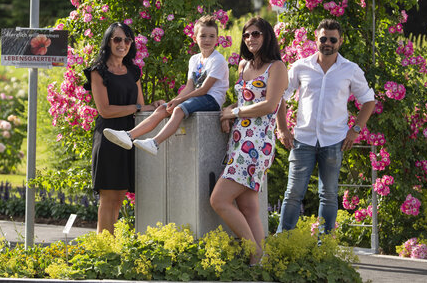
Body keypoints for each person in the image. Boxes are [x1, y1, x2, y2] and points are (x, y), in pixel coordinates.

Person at [276, 19, 376, 235]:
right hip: (303, 139)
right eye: (323, 38)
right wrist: (282, 128)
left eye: (332, 39)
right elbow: (280, 97)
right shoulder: (300, 66)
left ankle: (325, 245)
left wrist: (355, 129)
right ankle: (282, 241)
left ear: (340, 41)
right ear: (316, 38)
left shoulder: (350, 69)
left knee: (329, 194)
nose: (327, 43)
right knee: (293, 193)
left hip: (334, 141)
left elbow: (369, 100)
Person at [210, 17, 287, 264]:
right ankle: (259, 266)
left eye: (256, 34)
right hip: (238, 141)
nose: (250, 39)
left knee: (219, 200)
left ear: (267, 36)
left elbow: (270, 104)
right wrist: (228, 112)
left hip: (256, 143)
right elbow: (244, 102)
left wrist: (234, 113)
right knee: (248, 206)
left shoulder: (276, 67)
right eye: (246, 35)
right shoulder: (244, 65)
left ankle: (252, 250)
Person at [103, 15, 229, 155]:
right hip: (197, 98)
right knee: (164, 108)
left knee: (178, 109)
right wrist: (173, 101)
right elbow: (189, 87)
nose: (207, 40)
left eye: (212, 36)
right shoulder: (194, 60)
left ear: (217, 39)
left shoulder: (218, 60)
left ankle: (155, 143)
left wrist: (179, 101)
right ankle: (129, 135)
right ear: (195, 38)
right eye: (203, 35)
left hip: (212, 99)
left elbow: (205, 89)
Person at [84, 22, 164, 233]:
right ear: (108, 41)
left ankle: (110, 249)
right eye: (117, 39)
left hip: (129, 136)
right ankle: (104, 249)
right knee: (108, 197)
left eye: (127, 40)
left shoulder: (133, 70)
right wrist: (136, 107)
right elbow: (105, 111)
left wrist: (152, 106)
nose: (123, 44)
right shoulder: (98, 71)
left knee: (119, 196)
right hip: (109, 136)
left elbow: (139, 106)